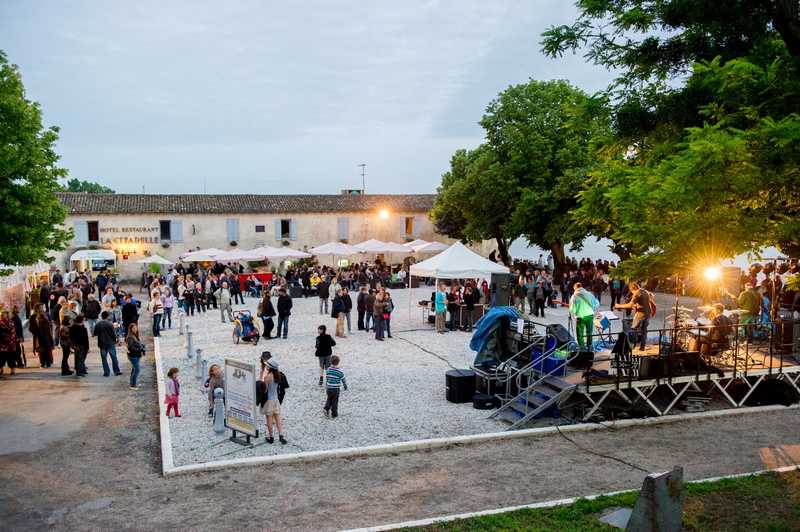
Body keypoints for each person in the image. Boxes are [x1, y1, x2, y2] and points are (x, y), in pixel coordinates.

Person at [614, 281, 651, 351]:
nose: (631, 292)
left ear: (632, 289)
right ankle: (642, 347)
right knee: (644, 331)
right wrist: (637, 305)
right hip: (647, 313)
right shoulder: (645, 291)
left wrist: (619, 306)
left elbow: (629, 305)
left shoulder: (636, 293)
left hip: (640, 314)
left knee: (633, 329)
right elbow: (644, 303)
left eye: (631, 291)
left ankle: (632, 346)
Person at [260, 358, 287, 444]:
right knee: (278, 418)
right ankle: (281, 435)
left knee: (269, 419)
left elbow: (265, 390)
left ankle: (271, 436)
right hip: (276, 400)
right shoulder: (278, 375)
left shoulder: (268, 377)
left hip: (269, 401)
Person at [569, 282, 600, 350]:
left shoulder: (574, 296)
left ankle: (582, 347)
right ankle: (590, 346)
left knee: (580, 333)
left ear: (575, 288)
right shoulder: (589, 294)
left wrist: (574, 312)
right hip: (590, 316)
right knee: (589, 331)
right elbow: (597, 303)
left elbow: (572, 309)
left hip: (581, 317)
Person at [94, 311, 122, 377]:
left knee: (104, 359)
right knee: (114, 358)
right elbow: (113, 334)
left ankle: (106, 372)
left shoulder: (98, 324)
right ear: (107, 316)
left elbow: (95, 333)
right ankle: (116, 371)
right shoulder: (110, 324)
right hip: (110, 343)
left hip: (102, 343)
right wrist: (116, 340)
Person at [323, 354, 348, 418]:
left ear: (330, 362)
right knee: (335, 401)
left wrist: (327, 385)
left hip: (328, 388)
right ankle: (334, 413)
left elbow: (327, 378)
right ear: (338, 363)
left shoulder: (328, 370)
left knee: (329, 399)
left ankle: (326, 408)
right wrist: (345, 386)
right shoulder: (340, 372)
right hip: (336, 389)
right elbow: (343, 380)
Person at [126, 323, 146, 389]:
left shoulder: (134, 335)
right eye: (133, 328)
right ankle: (133, 385)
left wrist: (142, 346)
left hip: (135, 355)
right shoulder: (130, 337)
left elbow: (137, 344)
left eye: (136, 328)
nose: (135, 329)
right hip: (133, 356)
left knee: (134, 370)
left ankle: (133, 383)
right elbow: (130, 347)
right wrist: (139, 349)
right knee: (137, 370)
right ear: (130, 329)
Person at [0, 311, 18, 376]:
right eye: (2, 315)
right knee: (1, 358)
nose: (2, 316)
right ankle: (1, 369)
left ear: (7, 315)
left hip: (10, 343)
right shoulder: (0, 322)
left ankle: (12, 370)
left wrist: (16, 338)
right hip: (2, 344)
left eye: (4, 315)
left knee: (11, 357)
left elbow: (12, 330)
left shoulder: (11, 322)